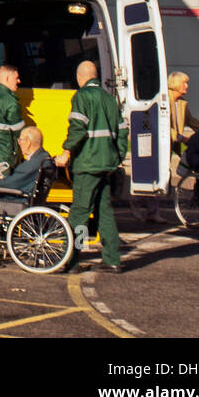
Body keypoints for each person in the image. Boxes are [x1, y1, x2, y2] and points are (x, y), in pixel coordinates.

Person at [56, 60, 127, 273]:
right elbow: (122, 131)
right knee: (104, 212)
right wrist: (117, 156)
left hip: (87, 165)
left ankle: (72, 260)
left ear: (80, 78)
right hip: (106, 165)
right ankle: (112, 259)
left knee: (79, 214)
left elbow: (78, 128)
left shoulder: (81, 96)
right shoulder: (110, 99)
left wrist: (66, 151)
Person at [141, 70, 199, 221]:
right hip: (158, 142)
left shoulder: (182, 104)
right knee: (158, 174)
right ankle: (151, 210)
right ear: (175, 84)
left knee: (163, 174)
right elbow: (162, 123)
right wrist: (181, 138)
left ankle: (151, 209)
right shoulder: (164, 100)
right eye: (184, 83)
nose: (187, 86)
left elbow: (193, 122)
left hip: (170, 145)